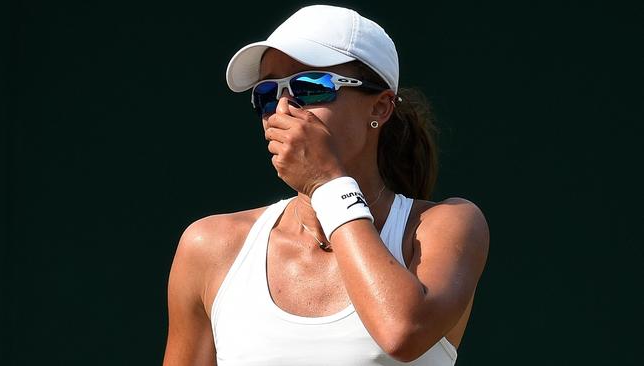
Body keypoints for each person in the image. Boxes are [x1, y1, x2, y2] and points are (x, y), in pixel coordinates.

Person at [163, 4, 489, 366]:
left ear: (380, 109)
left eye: (310, 87)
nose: (282, 108)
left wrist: (327, 182)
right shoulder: (209, 247)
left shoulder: (449, 225)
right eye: (267, 94)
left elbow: (402, 333)